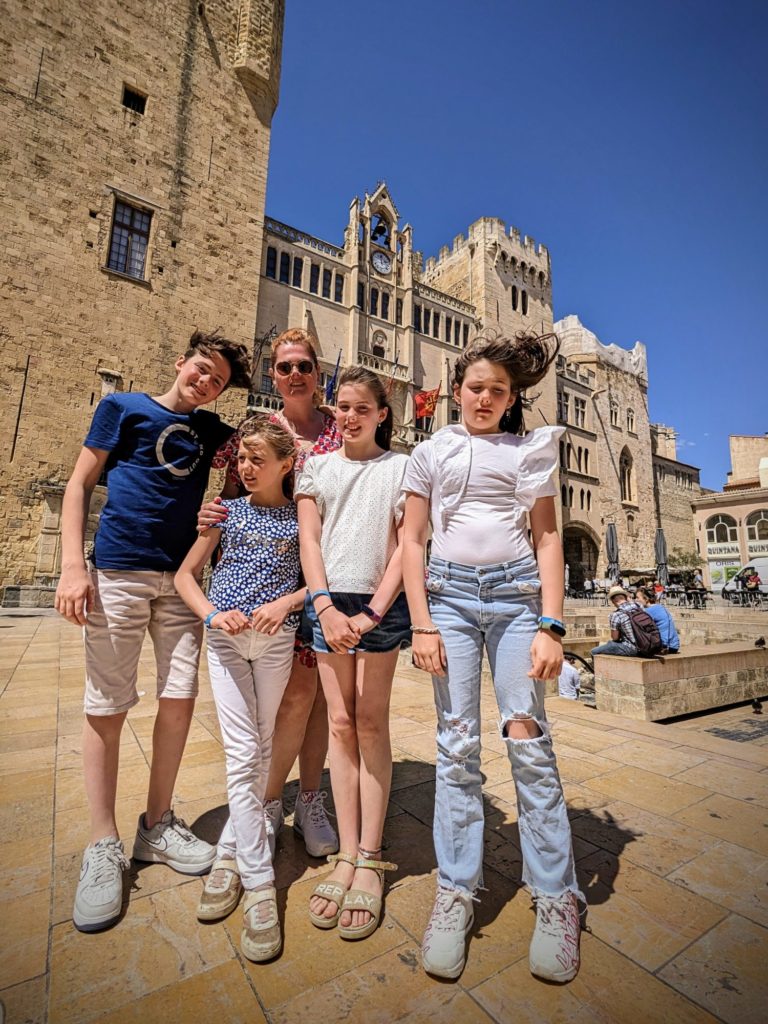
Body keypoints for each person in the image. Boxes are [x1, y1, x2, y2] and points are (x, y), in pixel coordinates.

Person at [54, 330, 251, 933]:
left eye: (217, 379)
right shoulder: (123, 408)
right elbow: (80, 484)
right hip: (119, 570)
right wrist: (72, 565)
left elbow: (272, 448)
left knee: (178, 702)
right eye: (202, 369)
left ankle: (157, 824)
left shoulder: (216, 433)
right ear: (181, 362)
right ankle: (103, 843)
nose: (206, 381)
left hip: (183, 582)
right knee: (106, 706)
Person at [402, 330, 584, 984]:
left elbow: (546, 538)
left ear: (511, 399)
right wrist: (421, 624)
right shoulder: (431, 451)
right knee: (455, 746)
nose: (484, 397)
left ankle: (557, 896)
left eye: (497, 391)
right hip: (447, 599)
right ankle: (455, 892)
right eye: (475, 387)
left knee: (527, 739)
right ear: (458, 391)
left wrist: (551, 625)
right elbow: (413, 540)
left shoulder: (529, 451)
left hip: (514, 599)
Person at [203, 328, 341, 859]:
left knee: (321, 697)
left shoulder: (338, 427)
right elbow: (233, 493)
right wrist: (209, 519)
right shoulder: (256, 430)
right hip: (276, 586)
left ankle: (309, 799)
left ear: (317, 371)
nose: (295, 375)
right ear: (272, 375)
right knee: (293, 699)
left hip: (329, 577)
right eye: (285, 368)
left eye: (304, 365)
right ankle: (267, 799)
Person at [175, 418, 306, 961]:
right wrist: (210, 616)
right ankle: (258, 885)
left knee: (264, 745)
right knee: (243, 751)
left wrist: (284, 604)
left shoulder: (302, 518)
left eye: (256, 459)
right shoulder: (225, 512)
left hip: (275, 644)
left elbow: (315, 580)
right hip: (228, 644)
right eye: (241, 460)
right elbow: (187, 576)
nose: (245, 468)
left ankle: (230, 852)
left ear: (285, 464)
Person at [297, 366, 410, 941]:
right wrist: (322, 607)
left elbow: (406, 548)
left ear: (381, 414)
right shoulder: (315, 467)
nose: (348, 416)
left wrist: (370, 613)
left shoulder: (401, 469)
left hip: (377, 605)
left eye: (361, 408)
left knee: (369, 721)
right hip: (328, 602)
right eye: (341, 406)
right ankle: (344, 852)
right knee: (338, 723)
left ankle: (369, 857)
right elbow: (310, 540)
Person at [590, 585, 639, 657]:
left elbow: (615, 638)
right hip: (647, 645)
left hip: (633, 648)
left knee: (594, 651)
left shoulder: (616, 615)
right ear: (625, 597)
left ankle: (595, 668)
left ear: (613, 601)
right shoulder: (638, 606)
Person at [635, 587, 680, 654]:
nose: (636, 600)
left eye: (638, 598)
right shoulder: (660, 607)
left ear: (646, 599)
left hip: (664, 646)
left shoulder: (649, 611)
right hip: (674, 646)